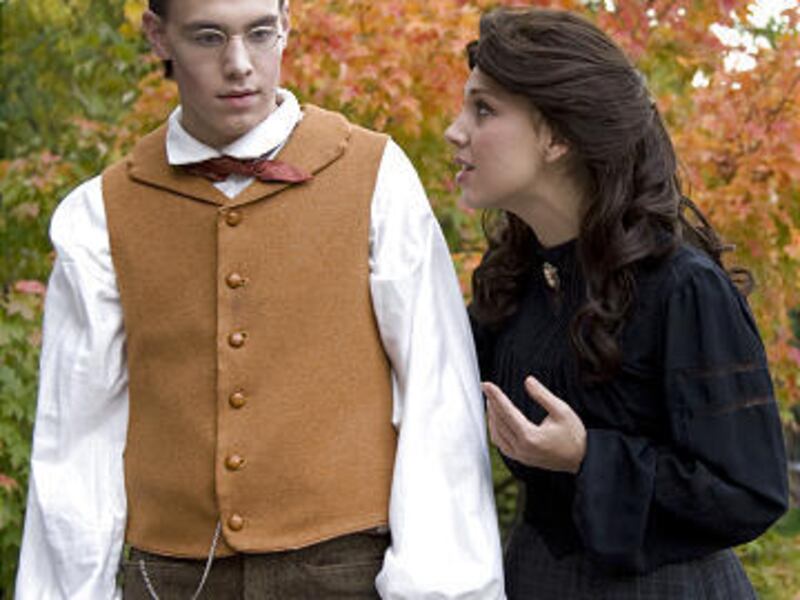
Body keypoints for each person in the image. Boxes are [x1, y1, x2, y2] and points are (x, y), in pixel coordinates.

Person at [14, 0, 505, 598]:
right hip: (171, 576)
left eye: (259, 33)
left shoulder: (375, 175)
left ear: (287, 26)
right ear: (157, 36)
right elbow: (75, 438)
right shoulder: (98, 214)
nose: (239, 64)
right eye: (208, 37)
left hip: (347, 571)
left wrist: (440, 587)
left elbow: (437, 397)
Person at [445, 7, 788, 599]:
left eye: (484, 109)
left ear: (557, 136)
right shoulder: (516, 280)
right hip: (535, 578)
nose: (456, 131)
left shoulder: (682, 286)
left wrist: (588, 456)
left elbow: (751, 492)